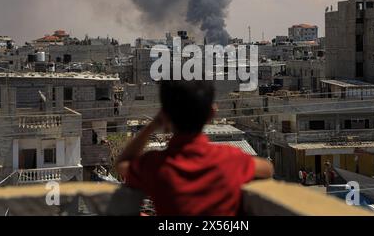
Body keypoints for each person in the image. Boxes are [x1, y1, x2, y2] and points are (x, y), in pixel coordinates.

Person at [117, 80, 274, 216]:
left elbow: (123, 164)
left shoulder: (156, 166)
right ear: (212, 113)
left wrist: (153, 125)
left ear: (165, 115)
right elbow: (267, 169)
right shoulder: (230, 158)